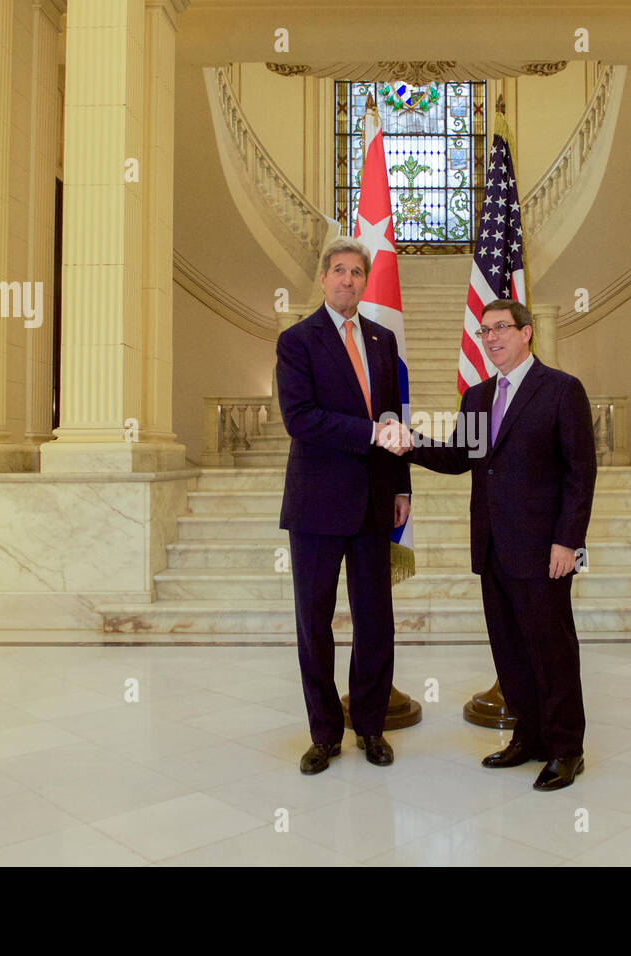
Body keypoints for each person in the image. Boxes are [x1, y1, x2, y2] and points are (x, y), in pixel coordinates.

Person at [380, 299, 597, 791]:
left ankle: (566, 749)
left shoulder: (561, 390)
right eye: (485, 331)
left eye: (501, 328)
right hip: (494, 547)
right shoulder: (478, 397)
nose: (492, 337)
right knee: (510, 650)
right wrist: (409, 442)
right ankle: (529, 737)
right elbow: (461, 457)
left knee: (552, 649)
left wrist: (568, 541)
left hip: (545, 550)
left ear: (527, 334)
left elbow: (581, 476)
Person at [277, 236, 411, 775]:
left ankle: (371, 727)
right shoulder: (297, 341)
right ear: (323, 278)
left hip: (375, 502)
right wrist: (370, 435)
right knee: (315, 621)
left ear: (364, 280)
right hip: (316, 505)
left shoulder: (381, 341)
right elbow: (301, 419)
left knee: (376, 620)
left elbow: (391, 416)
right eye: (339, 271)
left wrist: (401, 485)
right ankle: (325, 732)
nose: (348, 280)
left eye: (357, 273)